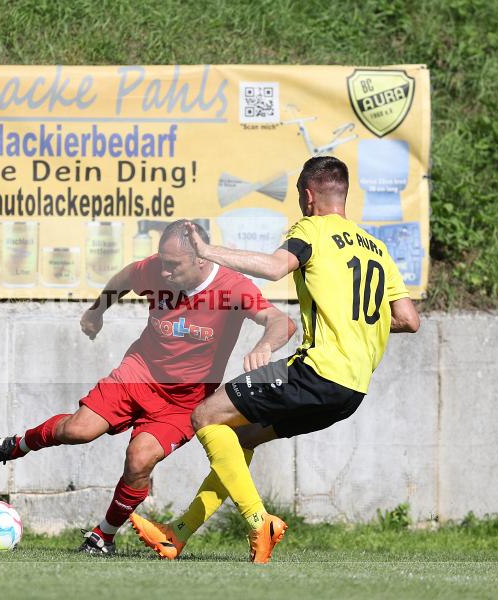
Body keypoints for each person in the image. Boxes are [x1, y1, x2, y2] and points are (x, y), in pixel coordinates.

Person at [129, 156, 420, 564]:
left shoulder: (311, 230)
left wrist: (208, 251)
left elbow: (273, 267)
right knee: (241, 438)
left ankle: (258, 521)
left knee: (205, 415)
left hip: (317, 372)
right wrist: (354, 324)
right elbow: (408, 319)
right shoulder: (377, 249)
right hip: (352, 391)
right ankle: (177, 535)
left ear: (308, 196)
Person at [0, 220, 296, 556]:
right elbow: (123, 279)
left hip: (184, 401)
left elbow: (280, 321)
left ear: (200, 259)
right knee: (78, 430)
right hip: (138, 373)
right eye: (162, 262)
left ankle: (102, 537)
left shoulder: (232, 287)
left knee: (139, 460)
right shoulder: (155, 270)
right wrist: (97, 311)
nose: (163, 272)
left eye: (173, 265)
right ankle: (13, 446)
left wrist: (265, 345)